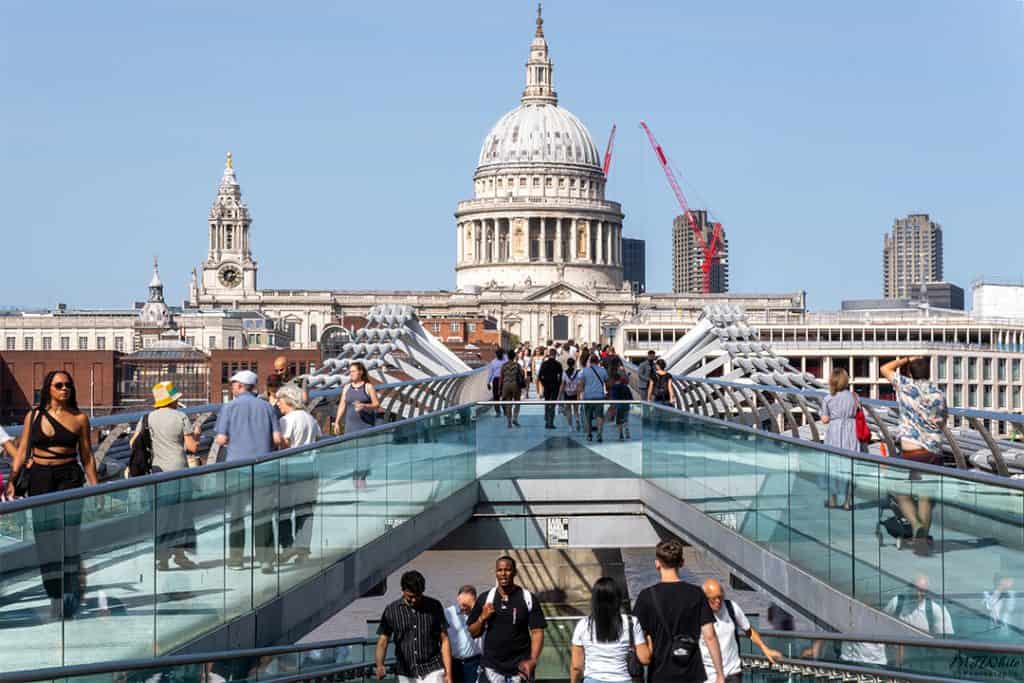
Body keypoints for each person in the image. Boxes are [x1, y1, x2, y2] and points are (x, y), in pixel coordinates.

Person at [5, 370, 100, 618]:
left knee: (68, 537)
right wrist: (13, 481)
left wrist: (96, 485)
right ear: (49, 388)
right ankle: (55, 594)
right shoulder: (33, 415)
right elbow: (23, 449)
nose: (64, 389)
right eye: (59, 385)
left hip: (68, 477)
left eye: (68, 385)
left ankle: (70, 591)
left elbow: (87, 455)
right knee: (45, 537)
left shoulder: (79, 419)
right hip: (39, 478)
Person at [214, 369, 283, 572]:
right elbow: (277, 438)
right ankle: (265, 559)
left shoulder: (229, 407)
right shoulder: (267, 407)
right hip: (265, 467)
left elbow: (221, 439)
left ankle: (236, 560)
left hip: (237, 468)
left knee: (236, 514)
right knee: (263, 514)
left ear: (240, 386)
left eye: (233, 384)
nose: (232, 387)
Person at [880, 356, 947, 556]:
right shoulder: (938, 393)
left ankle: (916, 525)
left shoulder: (905, 385)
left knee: (898, 489)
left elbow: (885, 368)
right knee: (926, 496)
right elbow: (942, 421)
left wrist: (906, 359)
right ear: (929, 373)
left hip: (910, 450)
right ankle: (922, 541)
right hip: (932, 451)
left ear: (910, 373)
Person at [130, 381, 202, 570]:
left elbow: (133, 443)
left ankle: (161, 558)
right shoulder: (181, 417)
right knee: (182, 515)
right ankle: (180, 555)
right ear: (173, 400)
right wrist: (197, 434)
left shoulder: (147, 418)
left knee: (162, 516)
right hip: (179, 470)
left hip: (157, 472)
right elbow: (192, 447)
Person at [632, 539, 725, 683]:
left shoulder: (646, 596)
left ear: (657, 563)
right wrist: (720, 673)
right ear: (682, 562)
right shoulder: (696, 594)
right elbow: (710, 636)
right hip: (692, 673)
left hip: (659, 674)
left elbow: (637, 636)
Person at [468, 555, 547, 683]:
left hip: (521, 667)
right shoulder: (486, 598)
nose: (503, 574)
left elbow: (537, 632)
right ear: (496, 573)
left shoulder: (527, 598)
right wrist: (482, 617)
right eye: (499, 570)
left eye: (507, 570)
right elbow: (472, 632)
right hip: (491, 667)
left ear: (514, 572)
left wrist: (533, 660)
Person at [376, 570, 453, 683]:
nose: (414, 600)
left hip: (433, 669)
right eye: (410, 597)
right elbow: (383, 640)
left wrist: (448, 674)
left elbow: (444, 639)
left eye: (418, 596)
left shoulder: (434, 606)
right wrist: (379, 665)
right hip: (405, 672)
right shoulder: (391, 611)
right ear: (403, 590)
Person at [570, 576, 650, 683]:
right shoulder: (631, 622)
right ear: (618, 598)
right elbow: (645, 658)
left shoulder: (583, 624)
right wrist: (649, 638)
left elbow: (577, 666)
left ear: (594, 599)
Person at [700, 580, 780, 682]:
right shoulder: (697, 614)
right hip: (709, 675)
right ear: (704, 598)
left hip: (733, 673)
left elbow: (748, 630)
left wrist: (764, 648)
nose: (718, 601)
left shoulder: (731, 608)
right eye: (713, 599)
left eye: (720, 597)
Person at [277, 383, 322, 565]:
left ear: (287, 400)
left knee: (285, 510)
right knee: (305, 511)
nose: (278, 404)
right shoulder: (310, 418)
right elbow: (318, 438)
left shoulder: (287, 420)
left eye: (280, 401)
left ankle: (288, 547)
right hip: (310, 468)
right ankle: (303, 550)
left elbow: (285, 443)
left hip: (291, 468)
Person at [820, 368, 860, 510]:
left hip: (835, 431)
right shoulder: (854, 396)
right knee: (850, 467)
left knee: (832, 466)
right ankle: (848, 502)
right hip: (851, 430)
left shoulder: (828, 398)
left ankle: (832, 500)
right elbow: (858, 412)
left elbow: (824, 420)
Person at [446, 585, 483, 683]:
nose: (464, 608)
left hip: (474, 663)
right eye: (462, 604)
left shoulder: (482, 614)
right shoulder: (448, 613)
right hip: (454, 663)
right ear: (458, 598)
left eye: (467, 605)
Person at [334, 361, 381, 435]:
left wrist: (364, 406)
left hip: (366, 428)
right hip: (350, 428)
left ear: (361, 372)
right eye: (350, 372)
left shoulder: (368, 387)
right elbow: (342, 405)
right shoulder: (347, 387)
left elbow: (376, 404)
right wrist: (337, 422)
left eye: (353, 371)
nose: (351, 374)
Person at [581, 354, 609, 443]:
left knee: (588, 416)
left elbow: (581, 384)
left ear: (590, 361)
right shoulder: (603, 370)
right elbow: (607, 382)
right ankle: (599, 434)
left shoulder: (585, 371)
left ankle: (589, 434)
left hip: (588, 396)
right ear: (598, 361)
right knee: (599, 416)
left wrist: (581, 394)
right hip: (599, 396)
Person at [538, 347, 564, 429]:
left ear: (549, 355)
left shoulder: (544, 364)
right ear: (555, 355)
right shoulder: (558, 364)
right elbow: (560, 376)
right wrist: (558, 384)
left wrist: (543, 383)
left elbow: (539, 376)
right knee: (552, 405)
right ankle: (551, 422)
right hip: (554, 386)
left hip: (547, 386)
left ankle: (546, 421)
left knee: (546, 403)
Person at [500, 352, 526, 428]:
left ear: (507, 357)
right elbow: (522, 375)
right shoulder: (517, 365)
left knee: (508, 403)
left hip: (506, 385)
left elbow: (501, 377)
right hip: (515, 385)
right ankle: (515, 418)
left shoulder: (504, 365)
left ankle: (509, 422)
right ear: (514, 357)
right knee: (517, 402)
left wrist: (500, 388)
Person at [609, 370, 633, 440]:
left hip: (618, 405)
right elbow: (631, 398)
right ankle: (627, 431)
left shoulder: (613, 387)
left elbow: (613, 398)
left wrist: (612, 407)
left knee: (619, 420)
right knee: (625, 419)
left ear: (613, 379)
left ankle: (621, 434)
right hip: (626, 405)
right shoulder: (625, 387)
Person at [563, 358, 583, 431]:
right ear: (574, 364)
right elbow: (579, 384)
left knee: (568, 410)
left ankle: (570, 426)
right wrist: (579, 394)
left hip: (567, 393)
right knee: (576, 410)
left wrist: (559, 396)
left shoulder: (564, 373)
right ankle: (577, 419)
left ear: (567, 364)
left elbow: (562, 385)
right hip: (575, 393)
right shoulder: (578, 373)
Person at [488, 350, 508, 416]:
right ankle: (498, 412)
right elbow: (491, 373)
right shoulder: (493, 362)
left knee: (504, 396)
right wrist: (488, 382)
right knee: (496, 396)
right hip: (496, 380)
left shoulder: (506, 361)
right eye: (498, 354)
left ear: (502, 354)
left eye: (501, 353)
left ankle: (505, 410)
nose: (499, 355)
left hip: (504, 379)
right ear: (496, 355)